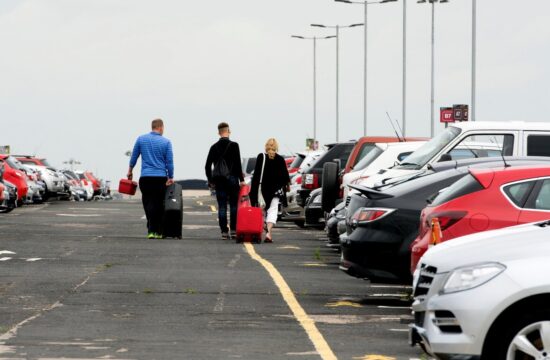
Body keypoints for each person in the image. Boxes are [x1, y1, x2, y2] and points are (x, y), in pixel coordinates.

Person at [128, 119, 175, 239]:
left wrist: (130, 170)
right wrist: (171, 177)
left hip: (146, 178)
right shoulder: (166, 142)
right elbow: (169, 162)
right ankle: (158, 231)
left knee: (148, 203)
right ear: (160, 127)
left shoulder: (141, 139)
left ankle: (151, 228)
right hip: (160, 178)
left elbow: (134, 156)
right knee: (159, 204)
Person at [205, 122, 245, 240]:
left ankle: (224, 232)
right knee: (233, 206)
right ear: (229, 131)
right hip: (232, 179)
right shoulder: (234, 145)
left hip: (219, 181)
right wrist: (241, 180)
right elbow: (237, 164)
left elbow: (207, 166)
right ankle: (233, 230)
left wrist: (210, 180)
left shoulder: (213, 147)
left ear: (218, 132)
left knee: (222, 206)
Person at [250, 138, 290, 243]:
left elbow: (256, 176)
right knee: (273, 211)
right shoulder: (280, 159)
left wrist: (252, 191)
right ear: (276, 147)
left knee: (261, 211)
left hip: (262, 190)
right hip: (275, 191)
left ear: (266, 146)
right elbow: (285, 177)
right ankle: (268, 233)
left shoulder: (261, 157)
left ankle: (258, 233)